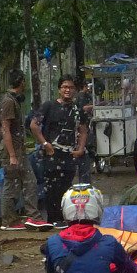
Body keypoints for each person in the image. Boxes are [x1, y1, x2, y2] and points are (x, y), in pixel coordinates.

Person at [30, 75, 88, 227]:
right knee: (51, 188)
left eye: (70, 87)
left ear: (75, 90)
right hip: (52, 154)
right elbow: (34, 125)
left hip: (69, 155)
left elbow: (83, 130)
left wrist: (80, 148)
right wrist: (44, 143)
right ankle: (52, 219)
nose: (67, 90)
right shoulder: (49, 106)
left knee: (66, 187)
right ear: (59, 90)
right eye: (64, 87)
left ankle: (64, 218)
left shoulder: (77, 110)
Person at [0, 69, 48, 231]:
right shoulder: (8, 102)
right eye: (24, 81)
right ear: (21, 83)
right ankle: (18, 219)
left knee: (22, 182)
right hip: (12, 152)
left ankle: (19, 218)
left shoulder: (13, 100)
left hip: (17, 150)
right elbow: (5, 129)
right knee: (20, 183)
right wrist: (12, 155)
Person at [73, 76, 95, 183]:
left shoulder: (84, 96)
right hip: (82, 126)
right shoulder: (81, 96)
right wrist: (94, 106)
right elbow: (84, 108)